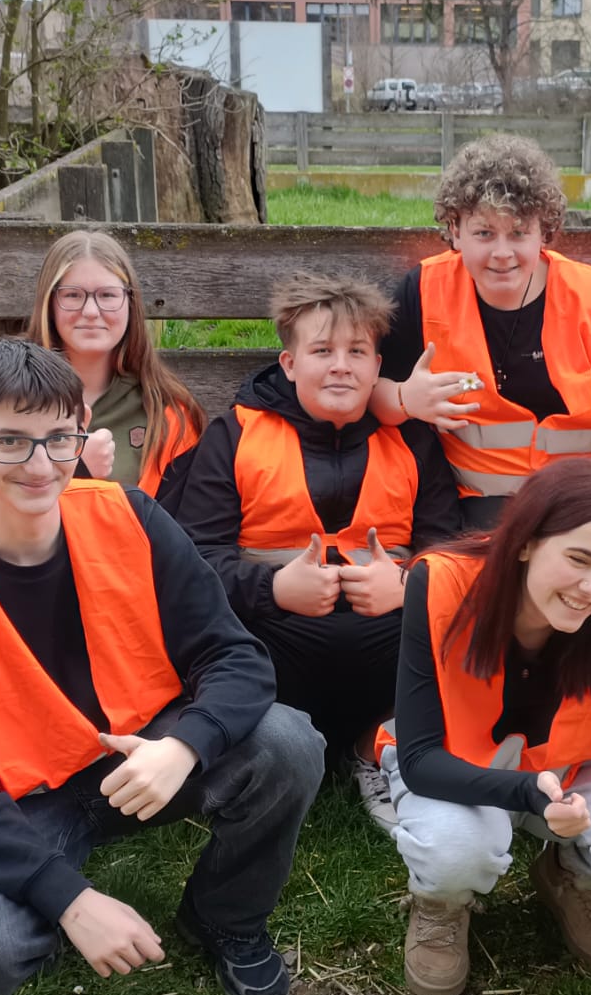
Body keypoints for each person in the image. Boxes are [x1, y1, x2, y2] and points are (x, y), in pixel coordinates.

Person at [0, 338, 324, 995]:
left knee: (288, 743)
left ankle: (225, 917)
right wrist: (72, 902)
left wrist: (183, 746)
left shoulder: (129, 516)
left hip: (142, 756)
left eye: (58, 439)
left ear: (82, 435)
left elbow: (234, 657)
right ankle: (55, 912)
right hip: (19, 799)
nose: (39, 465)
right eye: (9, 443)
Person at [370, 133, 591, 927]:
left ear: (546, 230)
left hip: (587, 512)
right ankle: (438, 767)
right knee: (461, 609)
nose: (502, 250)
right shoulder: (421, 294)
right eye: (483, 232)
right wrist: (405, 402)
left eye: (518, 232)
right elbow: (373, 391)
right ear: (453, 230)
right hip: (478, 515)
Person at [382, 462, 591, 995]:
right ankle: (441, 903)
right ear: (527, 543)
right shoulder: (439, 581)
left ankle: (573, 875)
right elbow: (418, 759)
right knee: (454, 850)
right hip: (455, 769)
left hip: (573, 768)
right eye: (577, 559)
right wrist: (527, 792)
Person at [172, 271, 464, 831]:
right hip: (275, 642)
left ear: (379, 367)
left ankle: (376, 748)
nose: (341, 365)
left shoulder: (414, 441)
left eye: (358, 351)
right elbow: (192, 559)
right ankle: (259, 763)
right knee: (219, 647)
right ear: (288, 364)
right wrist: (274, 588)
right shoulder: (235, 435)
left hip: (384, 645)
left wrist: (405, 584)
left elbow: (449, 551)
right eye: (322, 350)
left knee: (448, 623)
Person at [0, 230, 202, 508]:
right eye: (73, 295)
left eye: (108, 295)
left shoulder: (169, 413)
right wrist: (76, 466)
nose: (91, 311)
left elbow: (179, 531)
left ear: (130, 303)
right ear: (49, 303)